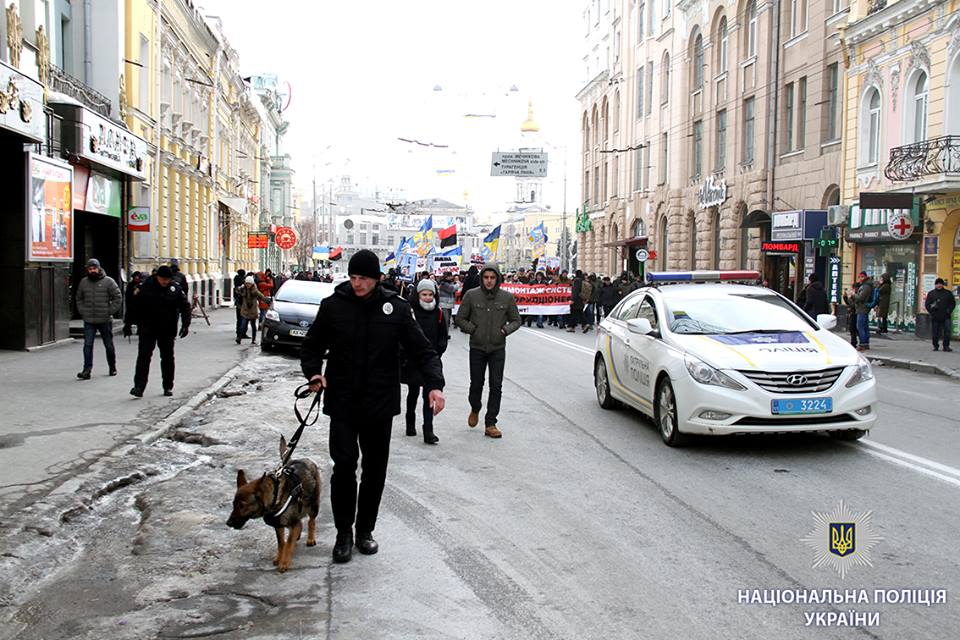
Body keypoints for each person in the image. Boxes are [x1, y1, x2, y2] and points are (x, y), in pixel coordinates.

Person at [300, 250, 445, 564]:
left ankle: (365, 531)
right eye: (352, 277)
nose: (357, 283)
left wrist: (435, 385)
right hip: (342, 401)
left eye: (363, 278)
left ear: (377, 277)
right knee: (344, 468)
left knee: (374, 471)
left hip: (379, 404)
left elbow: (424, 351)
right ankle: (343, 533)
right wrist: (314, 373)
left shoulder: (396, 309)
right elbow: (311, 346)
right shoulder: (333, 306)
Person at [455, 266, 521, 439]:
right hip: (477, 347)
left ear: (497, 278)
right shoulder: (471, 295)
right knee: (476, 384)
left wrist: (505, 331)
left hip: (497, 348)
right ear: (482, 278)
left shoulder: (506, 297)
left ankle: (491, 422)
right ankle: (475, 407)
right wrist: (472, 329)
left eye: (493, 277)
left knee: (496, 385)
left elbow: (516, 320)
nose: (489, 280)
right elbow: (460, 318)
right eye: (486, 277)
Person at [124, 265, 190, 397]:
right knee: (144, 357)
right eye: (162, 279)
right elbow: (133, 306)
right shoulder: (145, 287)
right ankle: (139, 387)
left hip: (167, 329)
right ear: (157, 277)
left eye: (167, 279)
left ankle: (168, 386)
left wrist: (185, 325)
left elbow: (185, 306)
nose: (165, 282)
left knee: (167, 358)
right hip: (148, 328)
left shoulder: (174, 289)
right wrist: (128, 324)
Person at [403, 279, 449, 444]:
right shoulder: (410, 312)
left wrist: (439, 350)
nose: (428, 298)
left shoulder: (438, 313)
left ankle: (428, 430)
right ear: (418, 295)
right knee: (413, 392)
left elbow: (443, 334)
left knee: (429, 395)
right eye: (424, 294)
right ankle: (410, 421)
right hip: (414, 360)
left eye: (430, 294)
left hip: (431, 360)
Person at [75, 258, 122, 379]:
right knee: (88, 345)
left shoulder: (108, 281)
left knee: (108, 345)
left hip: (104, 320)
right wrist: (82, 311)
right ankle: (87, 370)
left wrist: (110, 311)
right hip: (89, 320)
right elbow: (79, 298)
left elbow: (117, 297)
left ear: (99, 268)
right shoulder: (83, 282)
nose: (92, 271)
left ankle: (112, 367)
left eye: (94, 268)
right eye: (90, 269)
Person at [925, 278, 956, 352]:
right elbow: (927, 304)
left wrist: (949, 310)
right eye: (937, 284)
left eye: (940, 284)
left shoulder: (948, 293)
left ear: (942, 285)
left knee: (947, 332)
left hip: (946, 316)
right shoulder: (931, 293)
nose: (939, 285)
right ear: (935, 285)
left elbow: (953, 303)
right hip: (935, 316)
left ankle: (946, 346)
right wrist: (931, 311)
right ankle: (935, 346)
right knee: (935, 332)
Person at [236, 275, 268, 345]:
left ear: (252, 284)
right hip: (245, 310)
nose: (248, 285)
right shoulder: (243, 289)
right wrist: (238, 289)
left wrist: (267, 300)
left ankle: (253, 340)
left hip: (253, 311)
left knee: (253, 326)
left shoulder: (255, 290)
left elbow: (261, 296)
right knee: (243, 325)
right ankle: (239, 338)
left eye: (249, 283)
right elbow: (237, 291)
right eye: (247, 283)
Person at [853, 271, 874, 351]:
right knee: (864, 326)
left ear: (865, 277)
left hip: (862, 308)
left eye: (862, 277)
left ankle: (862, 344)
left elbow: (860, 298)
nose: (860, 279)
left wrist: (853, 294)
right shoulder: (866, 285)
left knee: (860, 327)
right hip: (863, 308)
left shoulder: (865, 286)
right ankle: (865, 343)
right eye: (860, 277)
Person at [842, 284, 860, 348]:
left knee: (854, 329)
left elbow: (852, 305)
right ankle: (854, 342)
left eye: (852, 289)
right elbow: (849, 303)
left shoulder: (856, 296)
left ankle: (855, 343)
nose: (851, 290)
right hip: (852, 313)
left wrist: (851, 296)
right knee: (852, 329)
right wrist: (845, 297)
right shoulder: (854, 296)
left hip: (855, 313)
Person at [233, 269, 248, 339]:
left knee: (239, 319)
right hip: (243, 304)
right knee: (243, 319)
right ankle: (241, 333)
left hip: (238, 303)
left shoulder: (236, 282)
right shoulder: (243, 284)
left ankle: (238, 333)